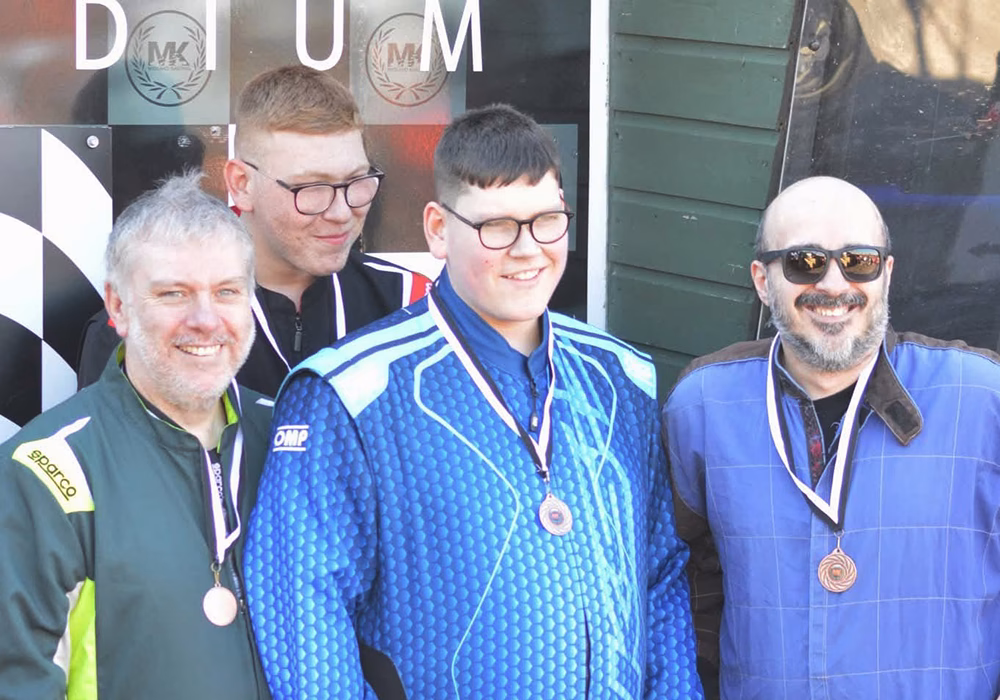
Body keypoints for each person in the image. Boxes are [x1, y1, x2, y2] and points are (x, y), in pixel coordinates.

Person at [244, 104, 703, 699]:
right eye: (496, 227)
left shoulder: (620, 376)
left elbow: (661, 575)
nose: (528, 248)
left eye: (547, 221)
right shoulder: (348, 395)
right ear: (438, 228)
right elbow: (302, 616)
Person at [663, 175, 1000, 699]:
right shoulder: (704, 404)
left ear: (885, 273)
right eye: (805, 262)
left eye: (858, 260)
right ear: (761, 279)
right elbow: (684, 580)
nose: (835, 285)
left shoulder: (981, 399)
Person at [0, 172, 272, 699]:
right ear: (119, 308)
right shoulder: (46, 469)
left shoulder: (293, 440)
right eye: (174, 293)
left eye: (227, 292)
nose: (206, 319)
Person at [77, 65, 430, 397]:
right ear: (242, 184)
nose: (341, 212)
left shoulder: (412, 304)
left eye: (356, 181)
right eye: (311, 188)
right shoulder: (147, 320)